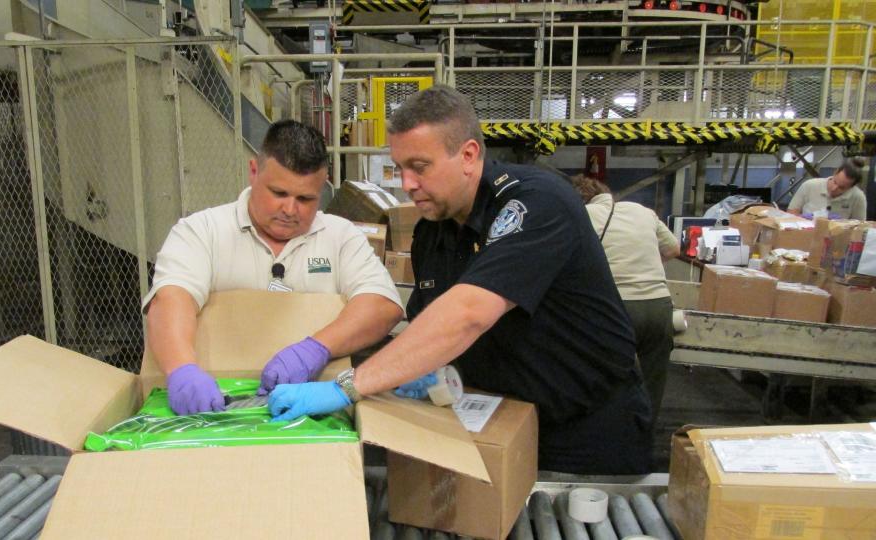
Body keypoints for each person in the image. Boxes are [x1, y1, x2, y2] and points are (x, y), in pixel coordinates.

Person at [267, 86, 653, 475]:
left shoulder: (537, 203)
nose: (406, 184)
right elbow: (432, 326)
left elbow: (469, 312)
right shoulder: (433, 233)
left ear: (468, 156)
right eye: (399, 168)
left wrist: (346, 387)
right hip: (499, 422)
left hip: (587, 432)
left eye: (420, 167)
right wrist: (426, 368)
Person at [143, 120, 403, 415]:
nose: (290, 210)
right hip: (209, 410)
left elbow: (383, 305)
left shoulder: (340, 237)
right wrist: (181, 369)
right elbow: (171, 299)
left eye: (305, 199)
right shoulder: (202, 231)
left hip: (308, 414)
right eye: (279, 193)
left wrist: (316, 349)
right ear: (254, 171)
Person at [571, 174, 679, 426]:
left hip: (617, 307)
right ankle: (645, 434)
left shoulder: (584, 215)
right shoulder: (642, 211)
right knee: (653, 377)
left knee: (606, 372)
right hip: (658, 306)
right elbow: (674, 249)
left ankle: (610, 434)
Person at [788, 156, 867, 220]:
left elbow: (860, 227)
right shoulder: (809, 185)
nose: (834, 188)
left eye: (841, 188)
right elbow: (790, 214)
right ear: (835, 172)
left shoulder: (858, 197)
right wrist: (803, 219)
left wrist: (841, 225)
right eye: (835, 182)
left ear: (851, 187)